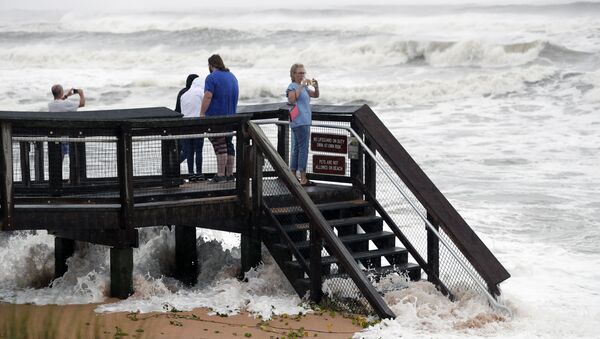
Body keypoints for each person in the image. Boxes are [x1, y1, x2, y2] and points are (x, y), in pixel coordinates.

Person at [200, 54, 239, 183]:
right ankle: (230, 174)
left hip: (216, 117)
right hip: (231, 117)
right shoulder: (232, 77)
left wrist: (202, 113)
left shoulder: (211, 78)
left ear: (211, 65)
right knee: (228, 144)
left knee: (219, 144)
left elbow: (208, 96)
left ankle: (220, 175)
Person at [286, 63, 319, 186]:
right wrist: (301, 86)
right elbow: (292, 99)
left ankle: (293, 175)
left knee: (297, 148)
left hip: (303, 120)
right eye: (299, 73)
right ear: (293, 74)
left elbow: (316, 95)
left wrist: (317, 86)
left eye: (303, 73)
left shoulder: (303, 87)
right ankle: (303, 177)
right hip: (299, 120)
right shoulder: (292, 86)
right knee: (303, 149)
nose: (302, 75)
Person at [48, 84, 85, 157]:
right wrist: (81, 94)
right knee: (71, 156)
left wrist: (66, 96)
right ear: (61, 92)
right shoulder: (66, 103)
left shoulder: (50, 104)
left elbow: (59, 102)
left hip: (55, 135)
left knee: (58, 158)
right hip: (66, 135)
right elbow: (82, 104)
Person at [180, 77, 205, 181]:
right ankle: (199, 173)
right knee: (198, 150)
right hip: (198, 124)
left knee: (189, 151)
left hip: (186, 125)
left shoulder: (184, 95)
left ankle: (191, 174)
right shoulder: (201, 92)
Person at [175, 74, 199, 164]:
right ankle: (174, 166)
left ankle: (173, 168)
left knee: (185, 150)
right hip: (185, 125)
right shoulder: (191, 93)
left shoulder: (182, 91)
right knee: (187, 151)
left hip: (179, 123)